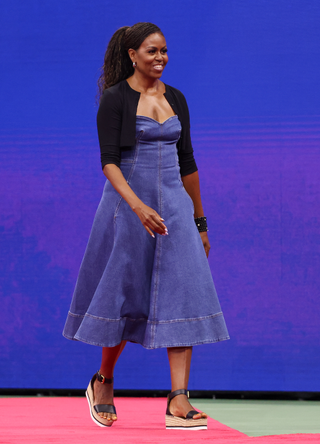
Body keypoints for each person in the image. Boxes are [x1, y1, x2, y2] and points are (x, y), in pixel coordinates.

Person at [63, 22, 229, 430]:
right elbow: (109, 163)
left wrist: (199, 220)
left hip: (174, 207)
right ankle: (103, 380)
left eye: (164, 51)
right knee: (123, 295)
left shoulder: (176, 98)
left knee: (185, 293)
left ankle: (178, 398)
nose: (160, 58)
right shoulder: (116, 99)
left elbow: (188, 163)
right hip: (128, 205)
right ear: (132, 54)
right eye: (152, 51)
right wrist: (137, 207)